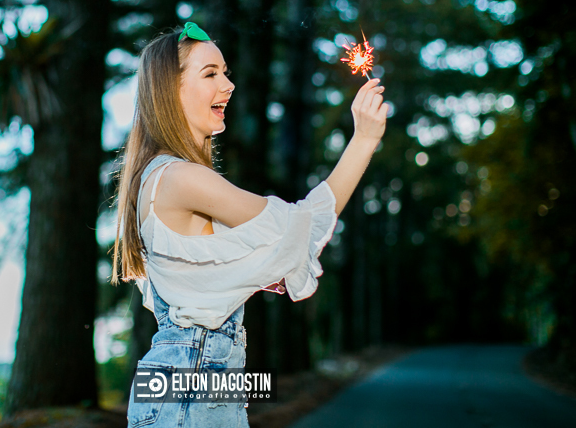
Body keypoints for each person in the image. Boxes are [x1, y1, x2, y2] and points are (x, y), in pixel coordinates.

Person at [110, 23, 388, 427]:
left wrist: (257, 272)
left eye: (225, 72)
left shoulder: (162, 175)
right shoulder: (181, 178)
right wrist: (364, 139)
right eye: (210, 74)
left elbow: (212, 271)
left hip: (191, 377)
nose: (229, 85)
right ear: (171, 90)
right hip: (191, 380)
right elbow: (300, 227)